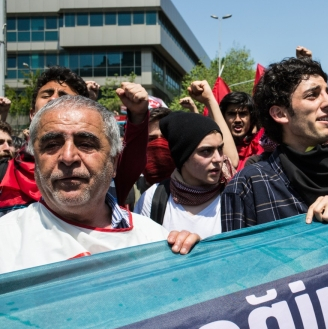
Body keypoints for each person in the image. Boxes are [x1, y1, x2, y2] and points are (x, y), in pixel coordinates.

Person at [0, 95, 200, 274]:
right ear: (35, 160)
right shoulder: (7, 239)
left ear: (113, 162)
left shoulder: (155, 240)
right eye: (52, 145)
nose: (68, 157)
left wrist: (197, 260)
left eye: (86, 144)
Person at [221, 57, 328, 230]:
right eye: (313, 95)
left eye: (327, 92)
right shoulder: (247, 185)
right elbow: (236, 256)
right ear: (280, 113)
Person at [0, 66, 149, 216]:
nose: (68, 158)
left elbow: (132, 161)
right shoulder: (5, 172)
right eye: (46, 95)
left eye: (63, 95)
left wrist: (138, 114)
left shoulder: (106, 170)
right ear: (32, 114)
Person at [135, 81, 238, 239]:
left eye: (219, 149)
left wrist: (210, 100)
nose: (219, 159)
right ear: (183, 155)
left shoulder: (234, 196)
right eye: (206, 151)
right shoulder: (153, 199)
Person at [218, 91, 264, 169]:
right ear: (223, 118)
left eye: (243, 114)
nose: (237, 120)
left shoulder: (262, 141)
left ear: (251, 118)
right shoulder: (217, 149)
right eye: (232, 114)